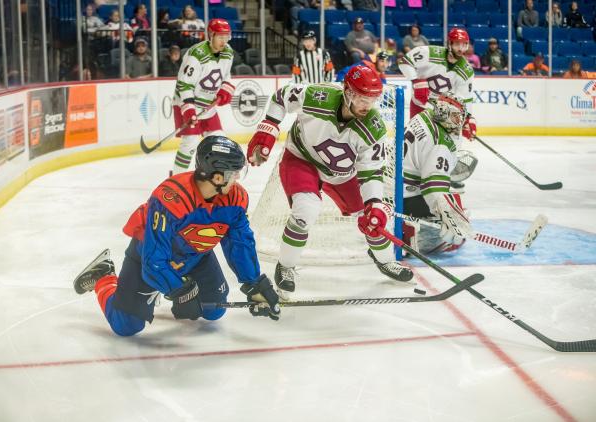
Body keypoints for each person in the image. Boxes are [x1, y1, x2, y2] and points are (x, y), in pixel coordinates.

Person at [73, 136, 280, 336]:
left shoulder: (236, 198)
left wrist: (254, 284)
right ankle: (104, 275)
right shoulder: (171, 198)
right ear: (217, 177)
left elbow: (240, 244)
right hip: (150, 256)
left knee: (214, 309)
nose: (236, 180)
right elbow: (153, 259)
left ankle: (172, 281)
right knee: (126, 326)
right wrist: (179, 291)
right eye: (233, 174)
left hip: (195, 255)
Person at [246, 65, 414, 299]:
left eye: (372, 99)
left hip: (342, 174)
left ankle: (385, 260)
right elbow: (281, 97)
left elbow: (372, 173)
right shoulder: (317, 96)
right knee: (306, 209)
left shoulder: (374, 128)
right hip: (302, 159)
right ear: (346, 91)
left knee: (373, 218)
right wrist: (268, 127)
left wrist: (374, 203)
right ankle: (286, 266)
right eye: (360, 97)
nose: (366, 105)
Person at [401, 94, 472, 254]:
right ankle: (423, 241)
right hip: (403, 198)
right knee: (458, 210)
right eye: (455, 116)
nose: (459, 122)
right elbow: (433, 188)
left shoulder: (423, 115)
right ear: (443, 112)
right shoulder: (441, 143)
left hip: (390, 187)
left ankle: (402, 224)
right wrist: (450, 217)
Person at [172, 18, 235, 173]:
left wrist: (226, 90)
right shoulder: (196, 54)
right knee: (191, 143)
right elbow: (184, 84)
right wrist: (189, 110)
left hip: (208, 107)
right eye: (220, 37)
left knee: (219, 140)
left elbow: (226, 76)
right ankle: (176, 176)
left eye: (226, 36)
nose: (224, 41)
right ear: (211, 35)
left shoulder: (228, 52)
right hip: (186, 103)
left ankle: (210, 175)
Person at [399, 28, 476, 143]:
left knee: (448, 143)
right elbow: (404, 62)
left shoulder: (467, 71)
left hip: (444, 112)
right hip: (420, 105)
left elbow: (464, 100)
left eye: (464, 45)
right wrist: (415, 81)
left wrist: (468, 119)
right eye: (457, 44)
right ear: (449, 43)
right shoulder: (430, 53)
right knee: (415, 141)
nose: (461, 49)